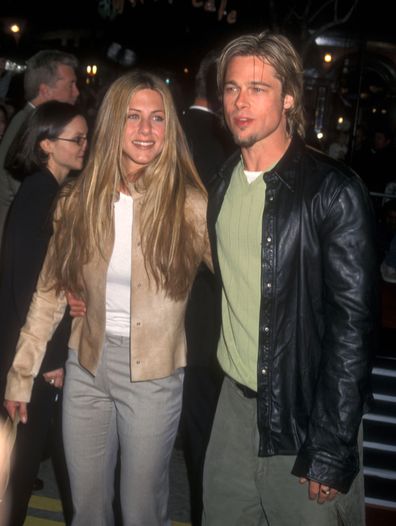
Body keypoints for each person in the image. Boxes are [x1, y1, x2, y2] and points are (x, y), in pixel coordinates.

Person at [4, 69, 211, 526]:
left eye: (157, 118)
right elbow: (47, 294)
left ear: (169, 128)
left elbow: (239, 285)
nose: (144, 130)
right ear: (113, 123)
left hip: (154, 377)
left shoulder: (190, 205)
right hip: (87, 367)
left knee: (141, 511)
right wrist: (21, 375)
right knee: (88, 508)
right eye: (133, 116)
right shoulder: (77, 200)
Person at [202, 31, 378, 526]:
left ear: (289, 97)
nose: (240, 101)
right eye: (232, 88)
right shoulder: (223, 183)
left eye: (258, 88)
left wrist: (332, 445)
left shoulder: (332, 190)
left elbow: (354, 329)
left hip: (305, 415)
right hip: (233, 411)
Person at [0, 100, 88, 526]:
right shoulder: (41, 194)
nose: (84, 145)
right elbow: (30, 285)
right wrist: (50, 359)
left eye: (86, 137)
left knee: (38, 461)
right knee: (19, 468)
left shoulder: (49, 191)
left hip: (28, 354)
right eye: (76, 138)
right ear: (46, 145)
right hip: (28, 357)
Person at [179, 49, 233, 526]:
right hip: (207, 315)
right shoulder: (226, 146)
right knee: (205, 443)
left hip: (169, 314)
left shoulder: (168, 133)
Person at [0, 49, 80, 249]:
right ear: (45, 90)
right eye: (71, 84)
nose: (76, 92)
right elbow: (36, 192)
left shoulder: (31, 121)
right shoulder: (29, 126)